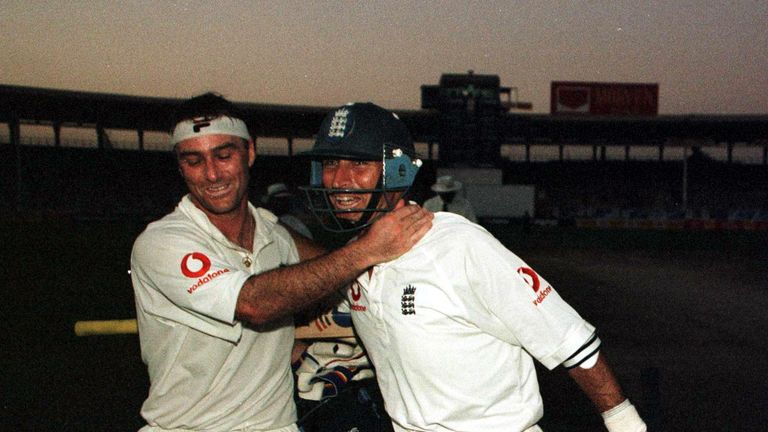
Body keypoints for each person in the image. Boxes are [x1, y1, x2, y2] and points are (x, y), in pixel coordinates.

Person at [300, 102, 647, 432]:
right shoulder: (353, 259)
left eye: (359, 165)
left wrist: (625, 422)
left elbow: (569, 339)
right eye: (331, 164)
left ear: (397, 170)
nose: (339, 180)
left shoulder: (460, 246)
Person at [129, 93, 432, 432]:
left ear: (250, 153)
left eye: (224, 155)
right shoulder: (161, 242)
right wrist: (367, 248)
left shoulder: (274, 233)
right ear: (180, 165)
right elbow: (253, 302)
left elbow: (343, 274)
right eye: (194, 161)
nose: (212, 174)